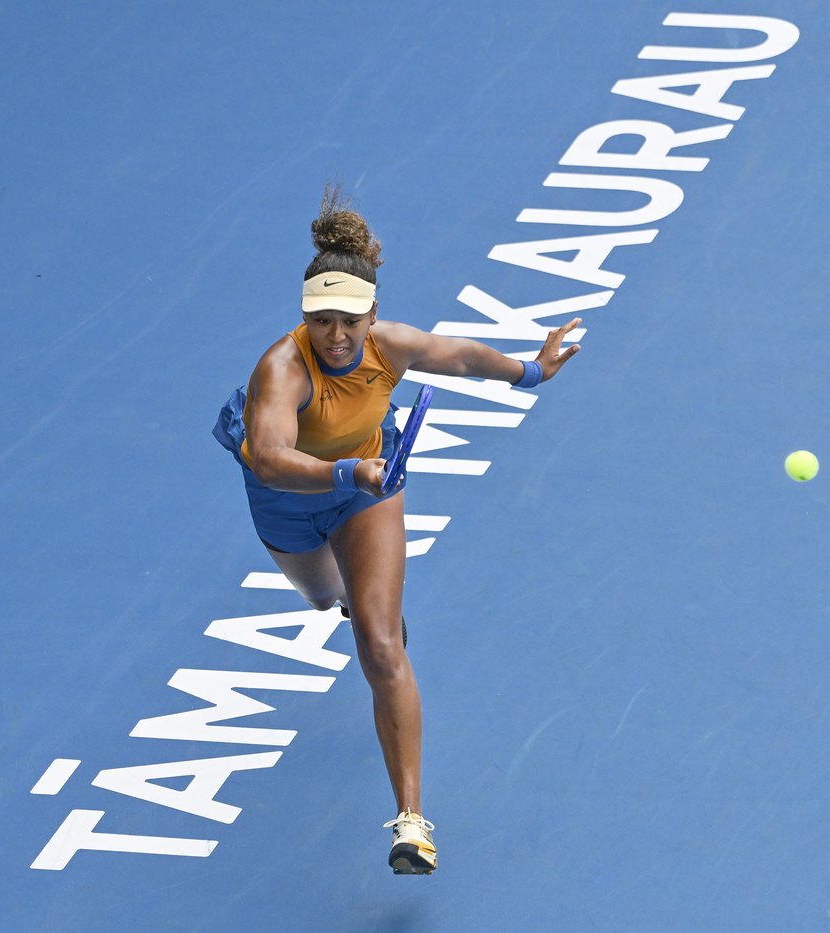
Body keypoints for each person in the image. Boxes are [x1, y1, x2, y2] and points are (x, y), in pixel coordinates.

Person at [214, 186, 581, 875]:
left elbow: (463, 356)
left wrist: (531, 369)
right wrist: (350, 471)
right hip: (292, 502)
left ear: (372, 313)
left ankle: (411, 819)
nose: (337, 335)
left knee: (380, 646)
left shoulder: (391, 346)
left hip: (366, 493)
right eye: (321, 320)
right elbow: (270, 457)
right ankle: (351, 593)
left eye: (350, 319)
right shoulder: (282, 368)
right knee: (325, 599)